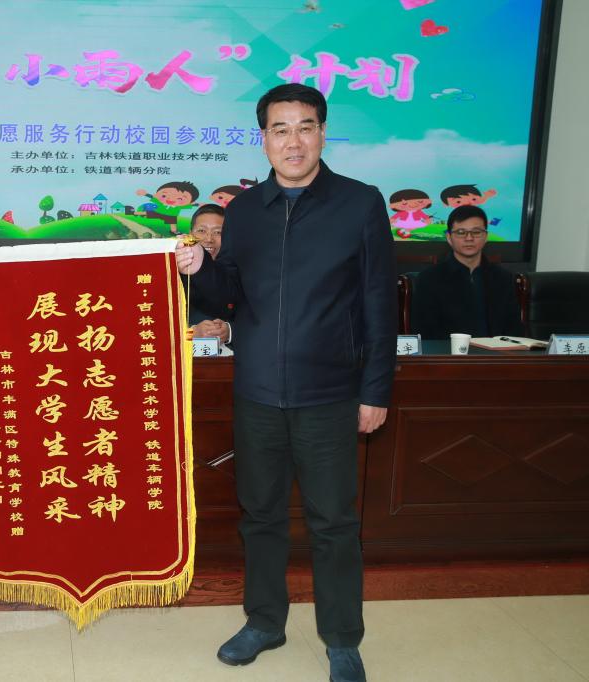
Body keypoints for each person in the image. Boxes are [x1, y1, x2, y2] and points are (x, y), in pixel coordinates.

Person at [175, 83, 396, 682]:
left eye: (304, 127)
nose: (292, 141)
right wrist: (202, 267)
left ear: (322, 132)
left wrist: (376, 391)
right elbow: (230, 292)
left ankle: (342, 638)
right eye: (280, 129)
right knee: (261, 515)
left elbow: (379, 302)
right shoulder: (247, 209)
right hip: (257, 393)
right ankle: (265, 622)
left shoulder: (359, 203)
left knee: (334, 522)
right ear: (264, 139)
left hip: (330, 393)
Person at [411, 205, 522, 340]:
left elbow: (514, 330)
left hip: (495, 352)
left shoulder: (503, 278)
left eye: (476, 232)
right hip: (447, 352)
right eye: (461, 232)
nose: (469, 238)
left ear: (485, 236)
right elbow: (424, 332)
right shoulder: (429, 279)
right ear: (449, 237)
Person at [186, 204, 233, 346]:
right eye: (201, 231)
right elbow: (155, 328)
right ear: (190, 234)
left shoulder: (241, 273)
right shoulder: (170, 274)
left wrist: (229, 331)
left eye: (218, 232)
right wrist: (192, 333)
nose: (209, 239)